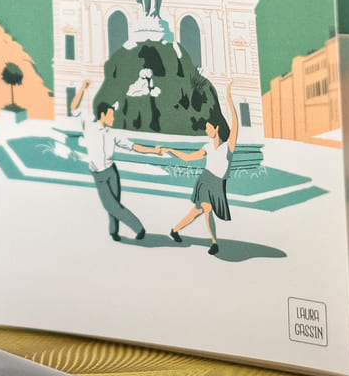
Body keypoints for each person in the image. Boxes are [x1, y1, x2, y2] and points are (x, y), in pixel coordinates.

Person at [150, 79, 238, 256]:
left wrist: (228, 97)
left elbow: (235, 123)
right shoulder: (207, 147)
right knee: (206, 209)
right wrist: (171, 150)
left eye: (208, 128)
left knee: (196, 211)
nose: (206, 130)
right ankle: (214, 243)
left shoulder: (228, 146)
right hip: (206, 181)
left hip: (218, 184)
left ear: (216, 128)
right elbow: (189, 158)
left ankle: (175, 230)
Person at [70, 79, 146, 243]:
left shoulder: (112, 133)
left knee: (115, 204)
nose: (113, 118)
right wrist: (83, 88)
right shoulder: (89, 124)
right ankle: (139, 228)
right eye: (111, 115)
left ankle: (113, 231)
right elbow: (74, 107)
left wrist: (154, 150)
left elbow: (132, 146)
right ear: (103, 115)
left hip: (112, 172)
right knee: (110, 205)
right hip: (99, 174)